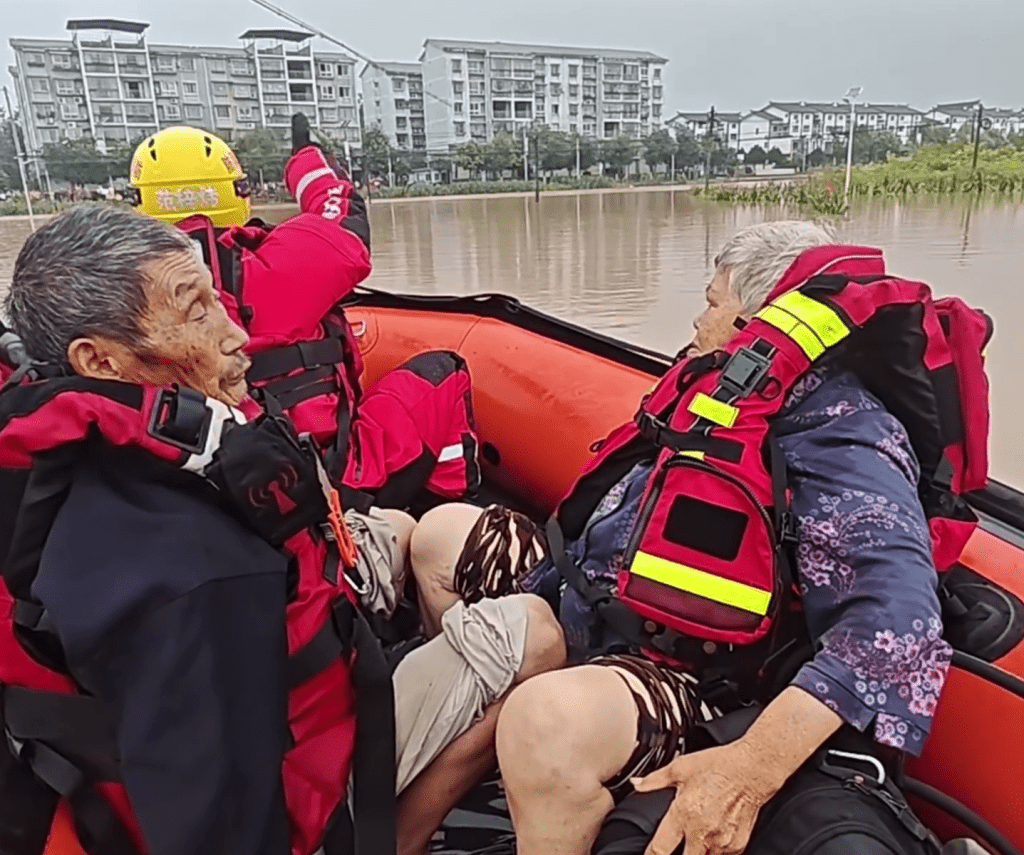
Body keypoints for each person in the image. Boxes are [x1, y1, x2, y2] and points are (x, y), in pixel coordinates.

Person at [0, 205, 565, 855]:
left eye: (218, 300)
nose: (236, 332)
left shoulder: (61, 455)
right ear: (99, 360)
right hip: (301, 774)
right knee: (534, 631)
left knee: (416, 530)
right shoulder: (195, 575)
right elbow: (220, 820)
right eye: (196, 312)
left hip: (206, 696)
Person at [414, 221, 969, 855]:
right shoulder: (718, 388)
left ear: (756, 318)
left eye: (712, 301)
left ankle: (547, 782)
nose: (698, 318)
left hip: (690, 675)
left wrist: (749, 770)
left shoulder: (840, 430)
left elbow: (896, 629)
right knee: (440, 535)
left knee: (545, 722)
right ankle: (497, 752)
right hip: (592, 604)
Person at [129, 122, 480, 514]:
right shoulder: (273, 265)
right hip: (328, 479)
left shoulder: (113, 302)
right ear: (237, 193)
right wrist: (305, 159)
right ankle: (447, 508)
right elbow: (343, 209)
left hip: (207, 496)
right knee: (443, 372)